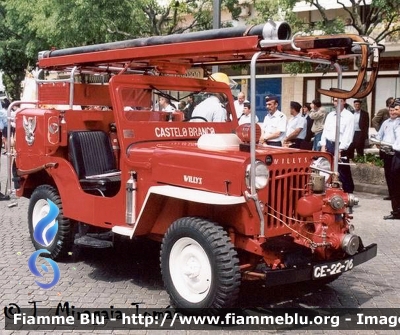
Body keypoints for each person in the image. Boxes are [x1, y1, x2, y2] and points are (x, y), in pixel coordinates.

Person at [320, 98, 355, 194]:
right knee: (328, 169)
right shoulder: (330, 115)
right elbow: (325, 131)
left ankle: (348, 193)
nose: (335, 103)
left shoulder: (349, 116)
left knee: (342, 171)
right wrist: (323, 145)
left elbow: (348, 135)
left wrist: (340, 150)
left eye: (337, 101)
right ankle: (332, 192)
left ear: (344, 102)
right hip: (329, 144)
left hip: (341, 146)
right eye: (334, 101)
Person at [376, 102, 398, 201]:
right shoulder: (385, 122)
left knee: (395, 175)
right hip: (386, 151)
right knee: (388, 173)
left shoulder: (398, 122)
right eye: (390, 110)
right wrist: (377, 141)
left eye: (394, 110)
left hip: (395, 152)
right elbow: (379, 135)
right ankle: (391, 194)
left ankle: (396, 194)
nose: (392, 112)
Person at [383, 101, 400, 220]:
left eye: (397, 109)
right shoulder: (395, 123)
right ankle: (396, 212)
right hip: (396, 154)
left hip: (397, 154)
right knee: (395, 185)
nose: (394, 111)